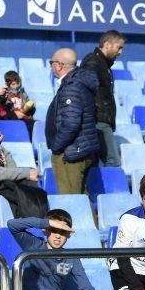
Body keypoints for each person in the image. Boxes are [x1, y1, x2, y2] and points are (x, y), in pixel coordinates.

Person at [46, 48, 99, 195]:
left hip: (70, 153)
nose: (51, 67)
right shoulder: (79, 83)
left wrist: (56, 147)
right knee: (81, 199)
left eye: (51, 63)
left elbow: (71, 124)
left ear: (58, 65)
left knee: (70, 202)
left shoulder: (71, 87)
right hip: (80, 149)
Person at [81, 30, 125, 168]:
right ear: (107, 44)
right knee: (113, 162)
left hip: (100, 120)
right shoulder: (93, 62)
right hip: (98, 120)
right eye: (119, 47)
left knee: (94, 163)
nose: (120, 52)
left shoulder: (103, 64)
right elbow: (84, 90)